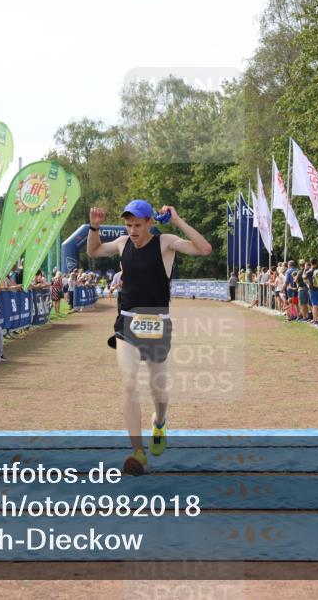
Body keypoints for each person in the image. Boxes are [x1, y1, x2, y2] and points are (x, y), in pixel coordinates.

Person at [87, 200, 212, 475]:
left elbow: (204, 249)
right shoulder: (122, 243)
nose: (132, 230)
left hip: (157, 323)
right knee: (129, 383)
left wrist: (178, 220)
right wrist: (94, 226)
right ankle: (138, 452)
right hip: (127, 323)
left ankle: (160, 421)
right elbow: (94, 250)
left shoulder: (166, 242)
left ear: (149, 224)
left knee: (159, 391)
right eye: (129, 225)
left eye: (138, 225)